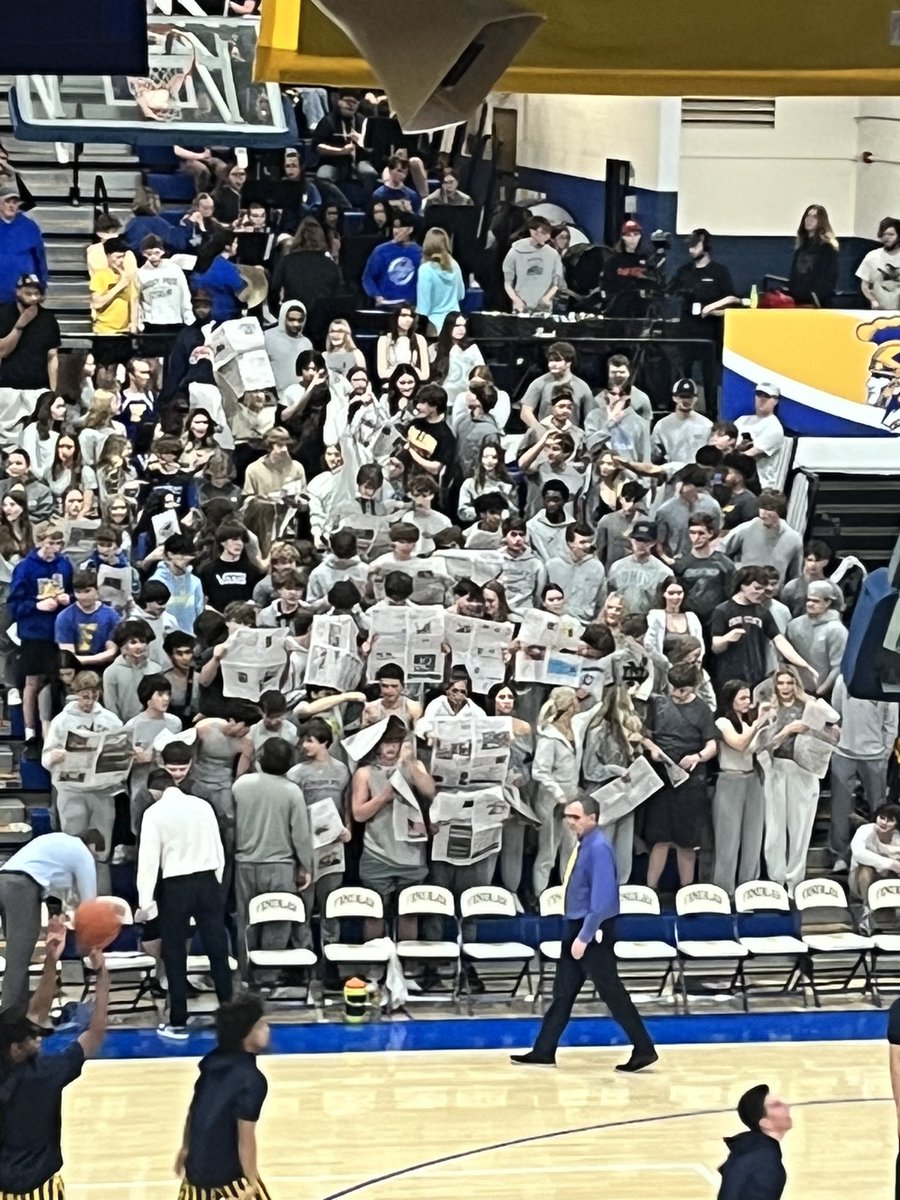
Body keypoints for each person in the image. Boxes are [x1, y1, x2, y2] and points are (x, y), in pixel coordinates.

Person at [510, 793, 657, 1071]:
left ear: (593, 818)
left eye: (576, 817)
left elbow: (603, 900)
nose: (570, 823)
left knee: (611, 991)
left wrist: (585, 936)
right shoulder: (585, 845)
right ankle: (544, 1050)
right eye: (567, 817)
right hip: (577, 926)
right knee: (563, 992)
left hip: (591, 930)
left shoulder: (599, 848)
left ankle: (644, 1047)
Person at [0, 928, 110, 1199]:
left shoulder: (11, 1057)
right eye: (33, 1038)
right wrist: (103, 977)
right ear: (16, 1048)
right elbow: (94, 1035)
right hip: (42, 1188)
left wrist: (51, 958)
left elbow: (38, 1010)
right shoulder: (48, 1073)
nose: (39, 1038)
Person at [136, 782, 234, 1039]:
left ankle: (178, 1020)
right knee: (218, 949)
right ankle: (230, 1015)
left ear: (155, 792)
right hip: (208, 881)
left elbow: (148, 861)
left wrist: (146, 904)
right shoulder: (202, 806)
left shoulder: (154, 813)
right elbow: (218, 848)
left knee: (175, 954)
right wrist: (217, 883)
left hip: (176, 886)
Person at [174, 995, 271, 1200]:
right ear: (247, 1034)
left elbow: (195, 1111)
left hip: (196, 1172)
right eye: (261, 1025)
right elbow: (245, 1139)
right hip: (230, 1177)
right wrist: (251, 1181)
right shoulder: (252, 1080)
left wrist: (185, 1148)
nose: (267, 1028)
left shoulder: (211, 1064)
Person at [0, 829, 101, 1014]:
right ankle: (10, 1025)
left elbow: (62, 894)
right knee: (18, 962)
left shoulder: (59, 842)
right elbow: (89, 904)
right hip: (21, 888)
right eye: (96, 855)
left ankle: (17, 1014)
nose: (93, 861)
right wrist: (93, 947)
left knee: (15, 958)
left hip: (4, 878)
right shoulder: (83, 853)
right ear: (92, 847)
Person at [502, 216, 563, 313]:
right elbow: (507, 282)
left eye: (547, 233)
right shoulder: (516, 251)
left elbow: (557, 283)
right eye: (542, 232)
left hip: (544, 308)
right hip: (521, 306)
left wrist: (546, 298)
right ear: (533, 232)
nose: (545, 236)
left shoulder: (553, 254)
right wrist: (517, 300)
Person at [362, 210, 422, 307]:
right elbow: (368, 278)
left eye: (400, 227)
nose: (395, 231)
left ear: (410, 229)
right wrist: (377, 296)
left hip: (411, 308)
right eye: (394, 227)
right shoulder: (381, 250)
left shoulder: (420, 253)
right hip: (385, 305)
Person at [733, 384, 786, 491]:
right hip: (734, 478)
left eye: (766, 396)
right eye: (759, 395)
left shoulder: (774, 428)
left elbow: (747, 456)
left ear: (775, 401)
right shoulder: (742, 420)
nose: (761, 399)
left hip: (759, 484)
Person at [0, 186, 47, 305]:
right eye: (7, 201)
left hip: (23, 295)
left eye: (15, 202)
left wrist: (42, 285)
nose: (11, 206)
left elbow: (39, 258)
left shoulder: (29, 226)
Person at [788, 203, 838, 306]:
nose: (809, 220)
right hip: (798, 298)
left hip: (815, 300)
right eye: (808, 216)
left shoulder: (827, 247)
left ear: (821, 222)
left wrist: (813, 297)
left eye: (814, 217)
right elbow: (794, 274)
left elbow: (829, 279)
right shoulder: (802, 245)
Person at [856, 216, 900, 310]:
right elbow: (864, 285)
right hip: (879, 313)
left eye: (891, 234)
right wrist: (873, 300)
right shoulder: (872, 257)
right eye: (883, 234)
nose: (886, 237)